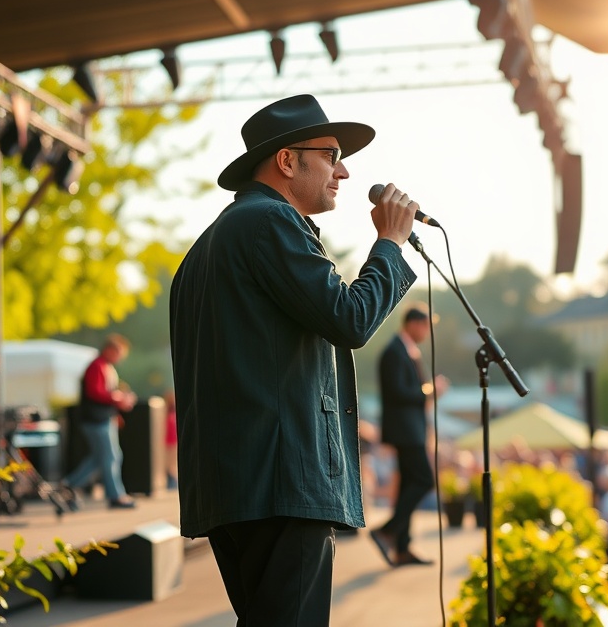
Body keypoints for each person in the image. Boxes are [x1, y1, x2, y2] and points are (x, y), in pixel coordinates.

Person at [169, 94, 418, 625]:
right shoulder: (270, 223)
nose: (344, 171)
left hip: (236, 486)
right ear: (287, 160)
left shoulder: (206, 247)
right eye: (330, 154)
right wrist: (391, 245)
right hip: (282, 484)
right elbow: (350, 319)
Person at [370, 304, 443, 567]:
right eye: (425, 326)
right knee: (424, 480)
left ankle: (402, 547)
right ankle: (387, 531)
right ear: (413, 323)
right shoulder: (394, 351)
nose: (426, 332)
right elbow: (397, 392)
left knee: (408, 484)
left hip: (410, 430)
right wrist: (429, 392)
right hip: (405, 432)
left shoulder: (405, 351)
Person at [60, 334, 137, 510]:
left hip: (103, 418)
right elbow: (95, 393)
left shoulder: (106, 367)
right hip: (95, 420)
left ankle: (69, 484)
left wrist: (115, 412)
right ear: (109, 350)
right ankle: (116, 496)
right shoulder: (97, 366)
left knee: (98, 458)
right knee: (111, 456)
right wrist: (117, 399)